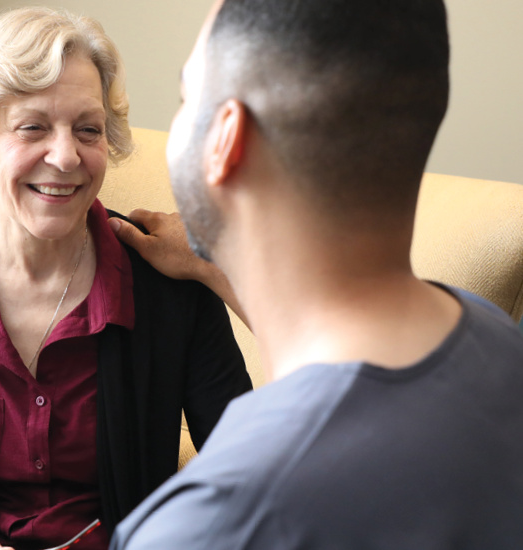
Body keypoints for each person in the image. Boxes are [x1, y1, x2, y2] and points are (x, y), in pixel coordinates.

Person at [109, 0, 523, 548]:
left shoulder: (206, 527)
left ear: (224, 139)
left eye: (188, 98)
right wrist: (214, 263)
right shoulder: (496, 339)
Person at [0, 7, 251, 550]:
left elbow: (240, 467)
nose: (66, 155)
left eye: (88, 130)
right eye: (33, 128)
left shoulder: (169, 281)